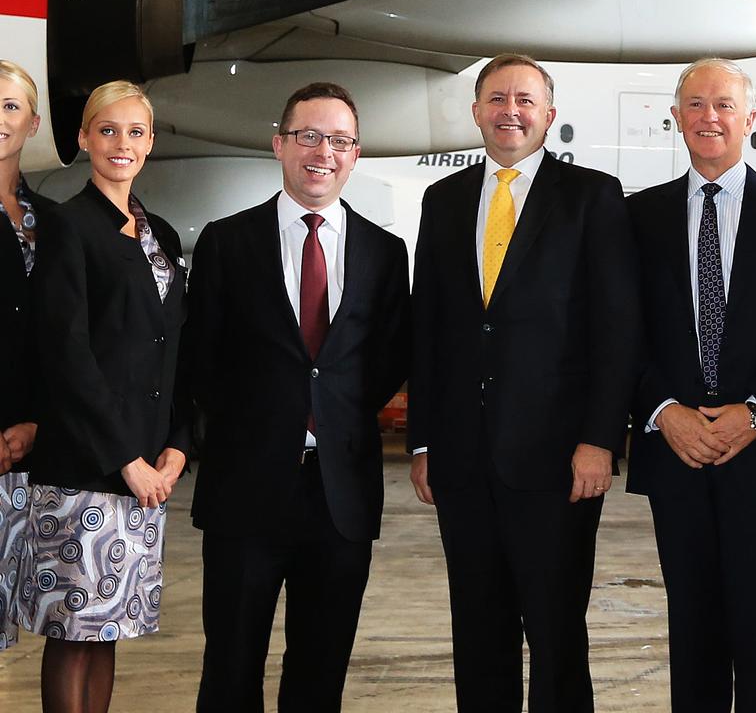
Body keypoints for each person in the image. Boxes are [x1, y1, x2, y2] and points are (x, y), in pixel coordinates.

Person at [407, 53, 641, 712]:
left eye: (526, 100)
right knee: (477, 633)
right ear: (477, 110)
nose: (512, 110)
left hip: (558, 461)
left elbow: (616, 331)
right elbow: (429, 326)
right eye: (498, 97)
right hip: (460, 459)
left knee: (557, 634)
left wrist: (600, 439)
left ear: (549, 116)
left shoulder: (592, 197)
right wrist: (423, 438)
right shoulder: (443, 200)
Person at [186, 82, 410, 712]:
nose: (323, 152)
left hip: (340, 496)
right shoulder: (227, 244)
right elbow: (203, 360)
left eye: (338, 140)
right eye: (309, 136)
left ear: (356, 154)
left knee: (319, 673)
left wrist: (332, 419)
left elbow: (388, 357)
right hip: (245, 491)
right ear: (279, 144)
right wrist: (263, 424)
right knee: (230, 669)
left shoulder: (385, 254)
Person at [626, 58, 756, 712]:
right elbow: (619, 334)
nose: (709, 117)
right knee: (690, 638)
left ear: (751, 118)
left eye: (723, 105)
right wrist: (665, 412)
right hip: (677, 456)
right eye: (695, 105)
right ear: (676, 119)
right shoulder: (638, 216)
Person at [17, 81, 189, 712]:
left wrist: (176, 445)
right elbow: (68, 358)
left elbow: (173, 347)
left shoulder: (161, 235)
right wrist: (128, 458)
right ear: (84, 138)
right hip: (88, 465)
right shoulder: (67, 227)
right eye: (108, 130)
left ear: (151, 142)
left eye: (136, 132)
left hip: (146, 467)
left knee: (107, 632)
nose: (123, 144)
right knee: (72, 634)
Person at [0, 60, 56, 650]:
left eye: (11, 106)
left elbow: (61, 342)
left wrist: (38, 423)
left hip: (26, 460)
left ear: (34, 122)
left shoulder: (52, 224)